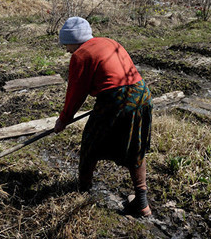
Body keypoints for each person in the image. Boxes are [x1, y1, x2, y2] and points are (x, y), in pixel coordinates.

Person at [53, 16, 153, 217]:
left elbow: (75, 93)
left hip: (117, 99)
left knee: (90, 142)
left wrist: (63, 120)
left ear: (74, 40)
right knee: (136, 146)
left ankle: (82, 190)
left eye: (67, 45)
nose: (66, 50)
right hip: (142, 94)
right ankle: (142, 203)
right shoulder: (109, 42)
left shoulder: (81, 55)